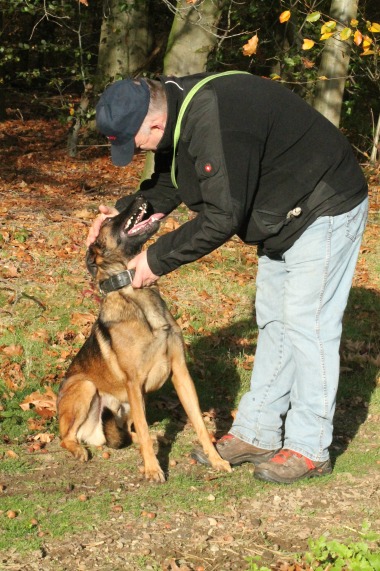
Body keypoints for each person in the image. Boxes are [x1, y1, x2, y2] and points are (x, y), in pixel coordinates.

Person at [88, 73, 368, 484]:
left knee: (308, 325)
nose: (135, 153)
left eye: (135, 143)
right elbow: (171, 182)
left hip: (323, 203)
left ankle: (311, 447)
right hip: (280, 213)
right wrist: (125, 213)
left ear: (153, 124)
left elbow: (222, 217)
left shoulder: (212, 118)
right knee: (274, 320)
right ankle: (258, 432)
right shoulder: (176, 109)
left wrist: (155, 261)